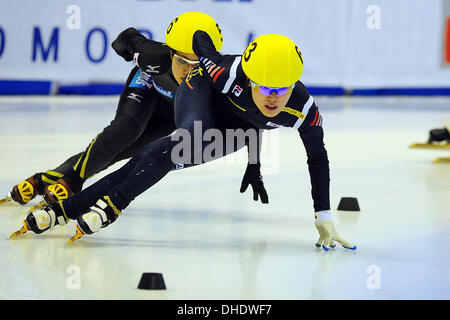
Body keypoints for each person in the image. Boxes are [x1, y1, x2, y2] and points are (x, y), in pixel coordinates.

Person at [11, 31, 356, 252]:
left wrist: (322, 214)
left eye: (281, 89)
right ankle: (110, 205)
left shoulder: (304, 110)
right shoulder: (226, 73)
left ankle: (66, 210)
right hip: (201, 92)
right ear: (249, 77)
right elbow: (201, 39)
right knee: (182, 142)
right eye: (264, 87)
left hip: (235, 131)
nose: (273, 98)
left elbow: (317, 159)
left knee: (156, 156)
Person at [1, 12, 267, 210]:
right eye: (182, 61)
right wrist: (128, 52)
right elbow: (127, 38)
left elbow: (252, 117)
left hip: (173, 115)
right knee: (125, 129)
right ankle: (72, 180)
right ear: (169, 52)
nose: (188, 70)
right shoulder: (154, 57)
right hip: (148, 89)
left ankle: (46, 178)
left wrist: (254, 164)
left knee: (130, 152)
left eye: (197, 63)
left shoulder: (218, 78)